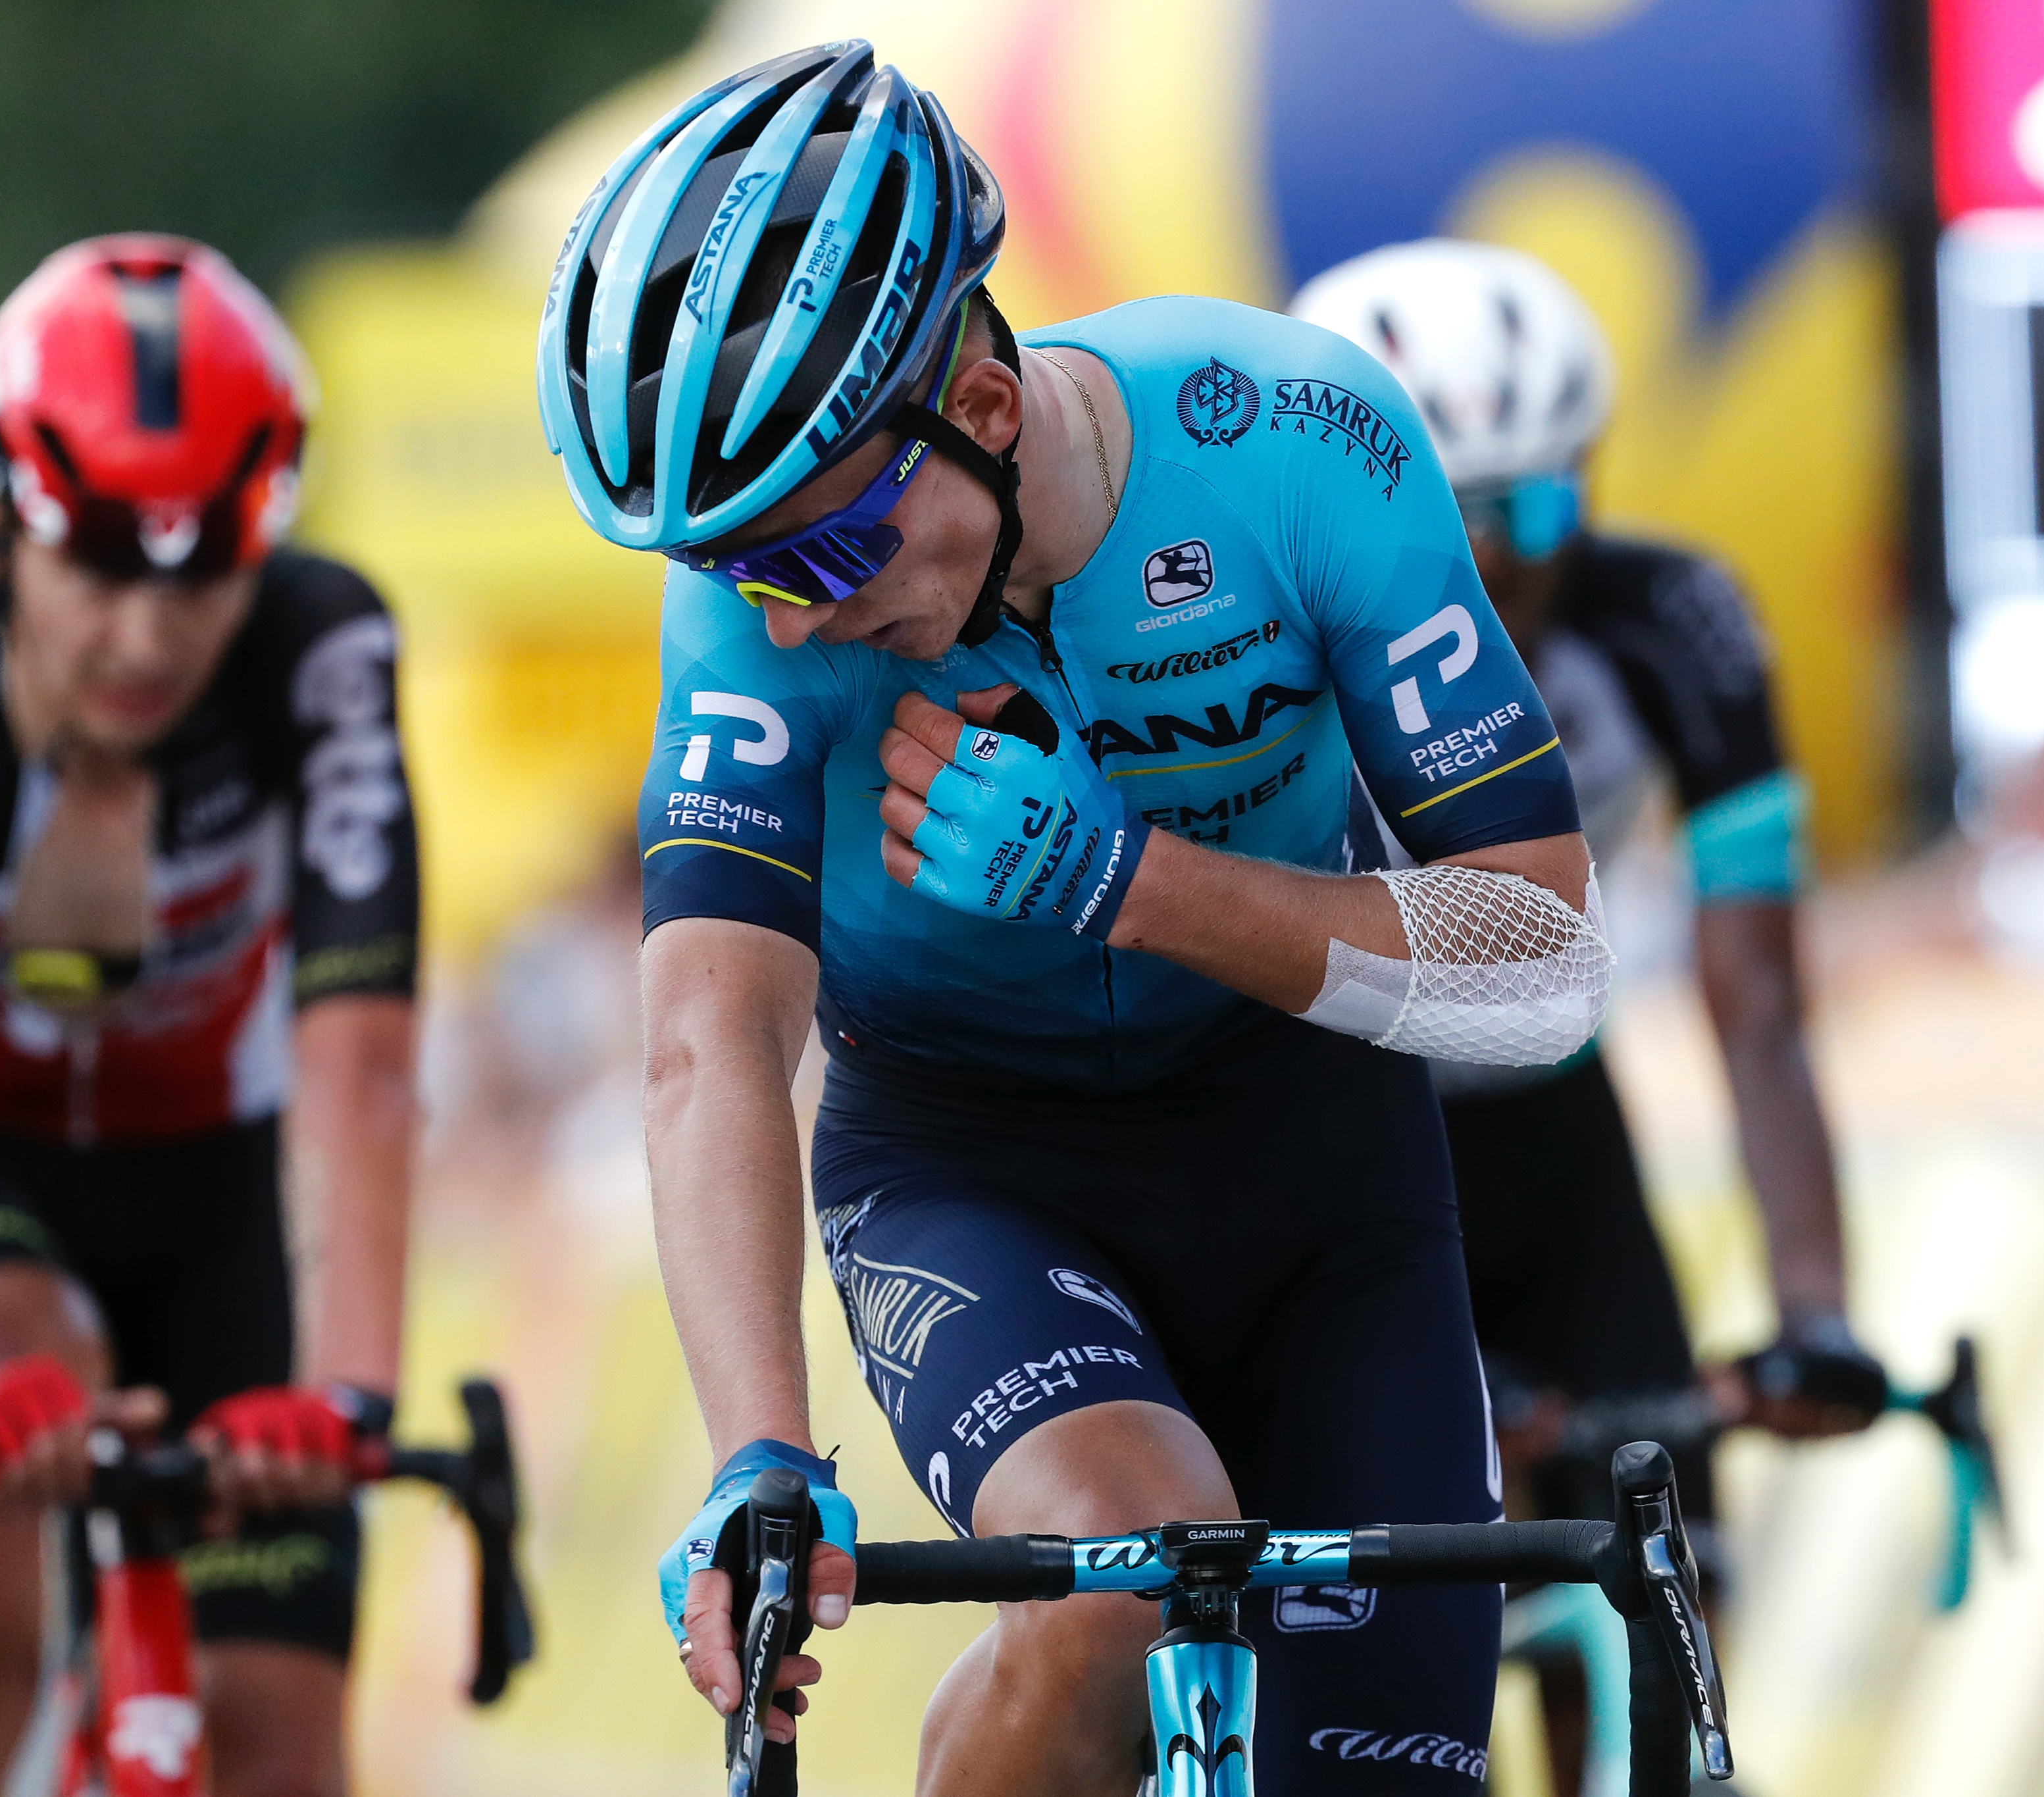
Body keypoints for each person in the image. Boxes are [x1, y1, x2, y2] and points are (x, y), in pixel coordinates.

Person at [538, 44, 1612, 1796]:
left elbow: (1547, 970)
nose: (788, 622)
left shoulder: (1302, 443)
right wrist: (757, 1455)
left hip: (1312, 1153)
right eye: (736, 570)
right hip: (967, 1154)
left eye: (819, 554)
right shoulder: (752, 615)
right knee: (1131, 1566)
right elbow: (709, 1032)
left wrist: (1132, 883)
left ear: (979, 402)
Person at [0, 234, 421, 1797]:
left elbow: (363, 1068)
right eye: (103, 568)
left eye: (206, 576)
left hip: (214, 1191)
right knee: (14, 1356)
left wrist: (345, 1395)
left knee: (275, 1743)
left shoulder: (320, 646)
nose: (149, 638)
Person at [1289, 241, 1888, 1586]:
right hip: (1327, 1129)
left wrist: (1814, 1312)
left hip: (1551, 1113)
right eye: (1451, 514)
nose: (1498, 558)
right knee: (1426, 1596)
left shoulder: (1671, 618)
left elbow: (1758, 1000)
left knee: (1671, 1564)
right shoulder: (1261, 642)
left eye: (1538, 505)